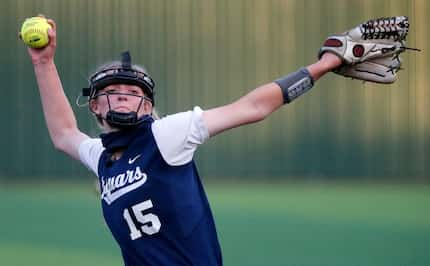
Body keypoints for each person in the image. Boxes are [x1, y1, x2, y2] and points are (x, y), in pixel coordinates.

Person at [26, 18, 342, 266]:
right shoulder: (102, 157)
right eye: (112, 90)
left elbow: (253, 107)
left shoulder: (165, 135)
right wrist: (43, 63)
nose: (124, 93)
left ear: (148, 107)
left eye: (135, 92)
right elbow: (64, 135)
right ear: (94, 105)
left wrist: (324, 65)